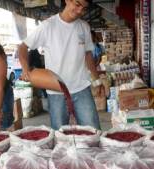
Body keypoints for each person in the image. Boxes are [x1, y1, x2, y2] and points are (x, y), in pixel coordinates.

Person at [18, 0, 104, 130]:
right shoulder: (48, 26)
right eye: (77, 4)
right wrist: (25, 70)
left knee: (93, 131)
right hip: (56, 90)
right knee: (60, 134)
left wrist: (97, 80)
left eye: (84, 8)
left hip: (81, 88)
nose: (80, 11)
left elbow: (88, 55)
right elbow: (23, 47)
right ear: (67, 1)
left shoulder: (84, 26)